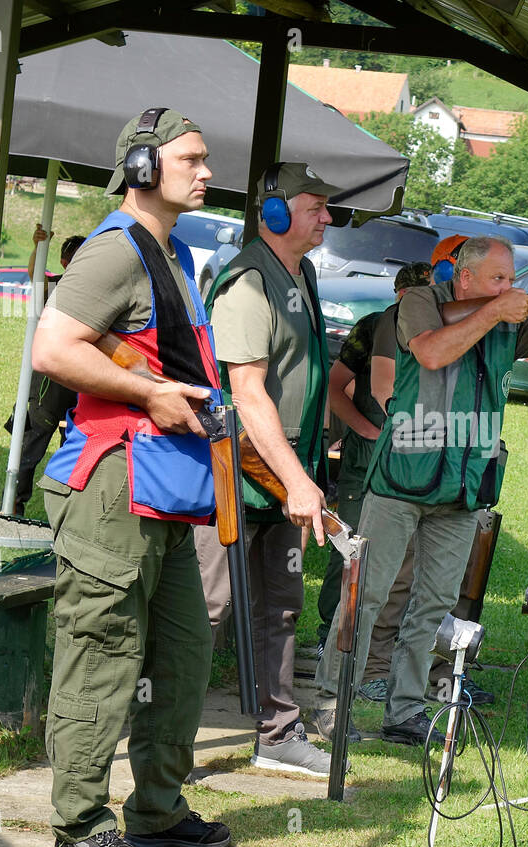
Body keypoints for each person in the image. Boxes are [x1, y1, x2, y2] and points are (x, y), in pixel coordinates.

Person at [313, 235, 528, 745]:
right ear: (464, 279)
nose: (509, 288)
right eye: (498, 279)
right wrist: (494, 312)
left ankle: (404, 711)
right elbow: (432, 353)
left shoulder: (515, 319)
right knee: (367, 595)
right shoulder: (422, 301)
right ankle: (331, 703)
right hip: (403, 475)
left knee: (433, 605)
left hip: (463, 484)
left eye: (511, 280)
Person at [31, 108, 231, 847]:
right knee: (103, 652)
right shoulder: (117, 252)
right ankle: (80, 824)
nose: (206, 172)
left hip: (165, 489)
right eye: (193, 158)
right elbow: (53, 346)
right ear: (145, 166)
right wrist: (147, 396)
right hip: (112, 483)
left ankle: (157, 810)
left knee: (181, 657)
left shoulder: (168, 250)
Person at [194, 161, 338, 776]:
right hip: (235, 472)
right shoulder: (249, 282)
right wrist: (300, 481)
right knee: (208, 607)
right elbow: (247, 395)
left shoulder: (298, 272)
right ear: (275, 213)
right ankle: (162, 732)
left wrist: (302, 476)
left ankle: (277, 732)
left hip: (281, 473)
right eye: (315, 207)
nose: (328, 218)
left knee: (280, 603)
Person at [3, 228, 87, 516]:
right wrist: (40, 246)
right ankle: (13, 504)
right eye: (77, 258)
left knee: (74, 453)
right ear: (65, 262)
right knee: (28, 449)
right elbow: (36, 277)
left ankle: (68, 512)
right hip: (47, 388)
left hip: (81, 387)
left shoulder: (96, 292)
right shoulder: (57, 288)